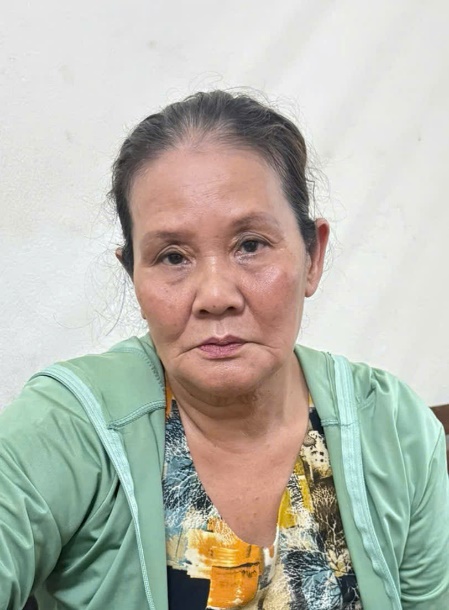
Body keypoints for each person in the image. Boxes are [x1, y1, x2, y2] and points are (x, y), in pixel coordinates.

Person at [1, 91, 448, 610]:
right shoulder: (67, 430)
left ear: (312, 256)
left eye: (250, 245)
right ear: (134, 278)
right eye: (173, 257)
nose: (215, 296)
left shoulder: (394, 430)